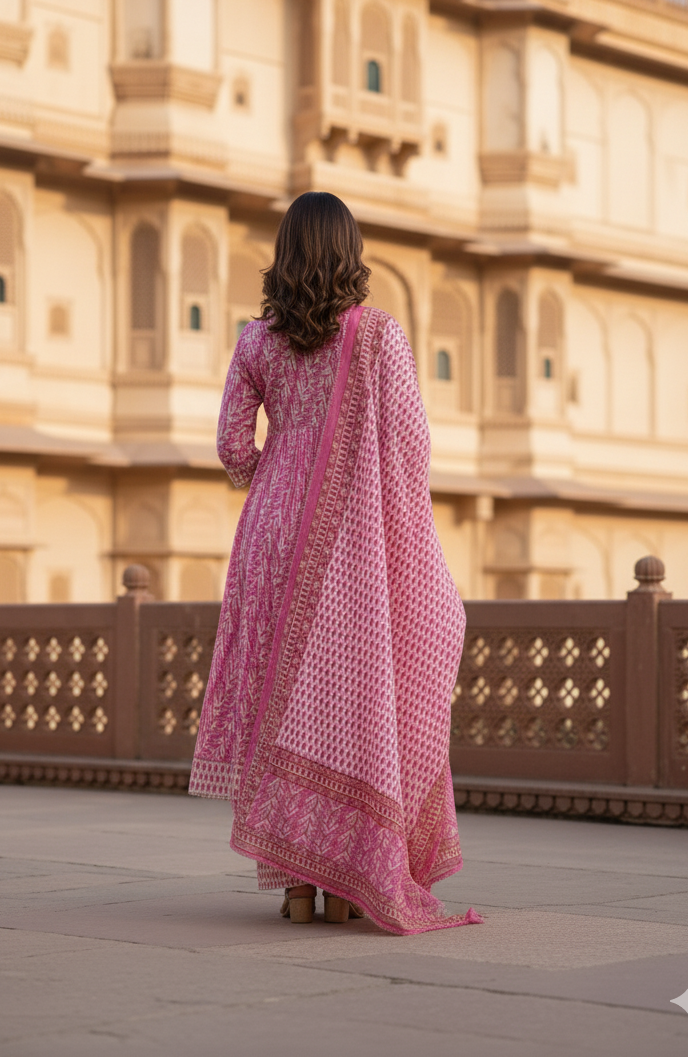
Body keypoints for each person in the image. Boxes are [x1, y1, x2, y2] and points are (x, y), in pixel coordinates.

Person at [189, 192, 482, 935]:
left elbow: (230, 449)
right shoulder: (381, 336)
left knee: (282, 709)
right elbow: (411, 447)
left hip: (270, 536)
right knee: (352, 704)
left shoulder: (256, 341)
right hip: (357, 539)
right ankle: (350, 885)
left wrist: (274, 469)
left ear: (283, 255)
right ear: (352, 253)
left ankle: (293, 888)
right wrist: (390, 516)